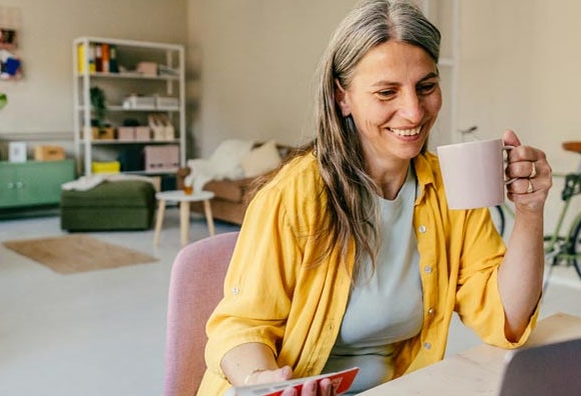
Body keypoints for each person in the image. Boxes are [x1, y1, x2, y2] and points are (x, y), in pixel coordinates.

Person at [198, 1, 551, 395]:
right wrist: (263, 382)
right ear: (342, 97)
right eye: (386, 92)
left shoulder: (449, 188)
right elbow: (241, 326)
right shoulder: (292, 195)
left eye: (426, 86)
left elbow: (507, 320)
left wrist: (530, 212)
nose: (414, 112)